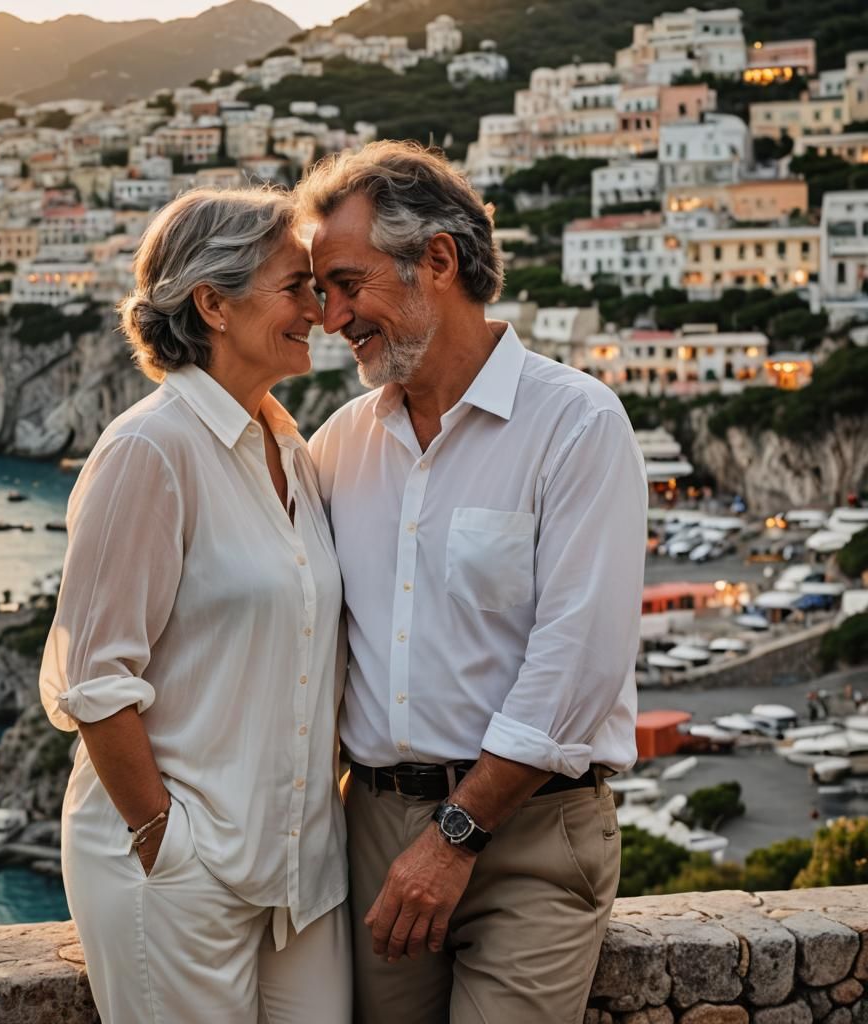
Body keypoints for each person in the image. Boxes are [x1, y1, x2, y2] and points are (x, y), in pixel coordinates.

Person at [298, 142, 647, 1024]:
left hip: (531, 832)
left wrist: (456, 836)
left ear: (439, 261)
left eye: (346, 283)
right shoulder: (339, 444)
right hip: (374, 828)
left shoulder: (576, 424)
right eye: (318, 292)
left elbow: (579, 663)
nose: (330, 317)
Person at [39, 188, 350, 1024]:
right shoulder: (151, 448)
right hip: (183, 870)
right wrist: (164, 845)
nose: (318, 311)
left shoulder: (290, 445)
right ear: (213, 303)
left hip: (300, 873)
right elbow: (95, 680)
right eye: (296, 287)